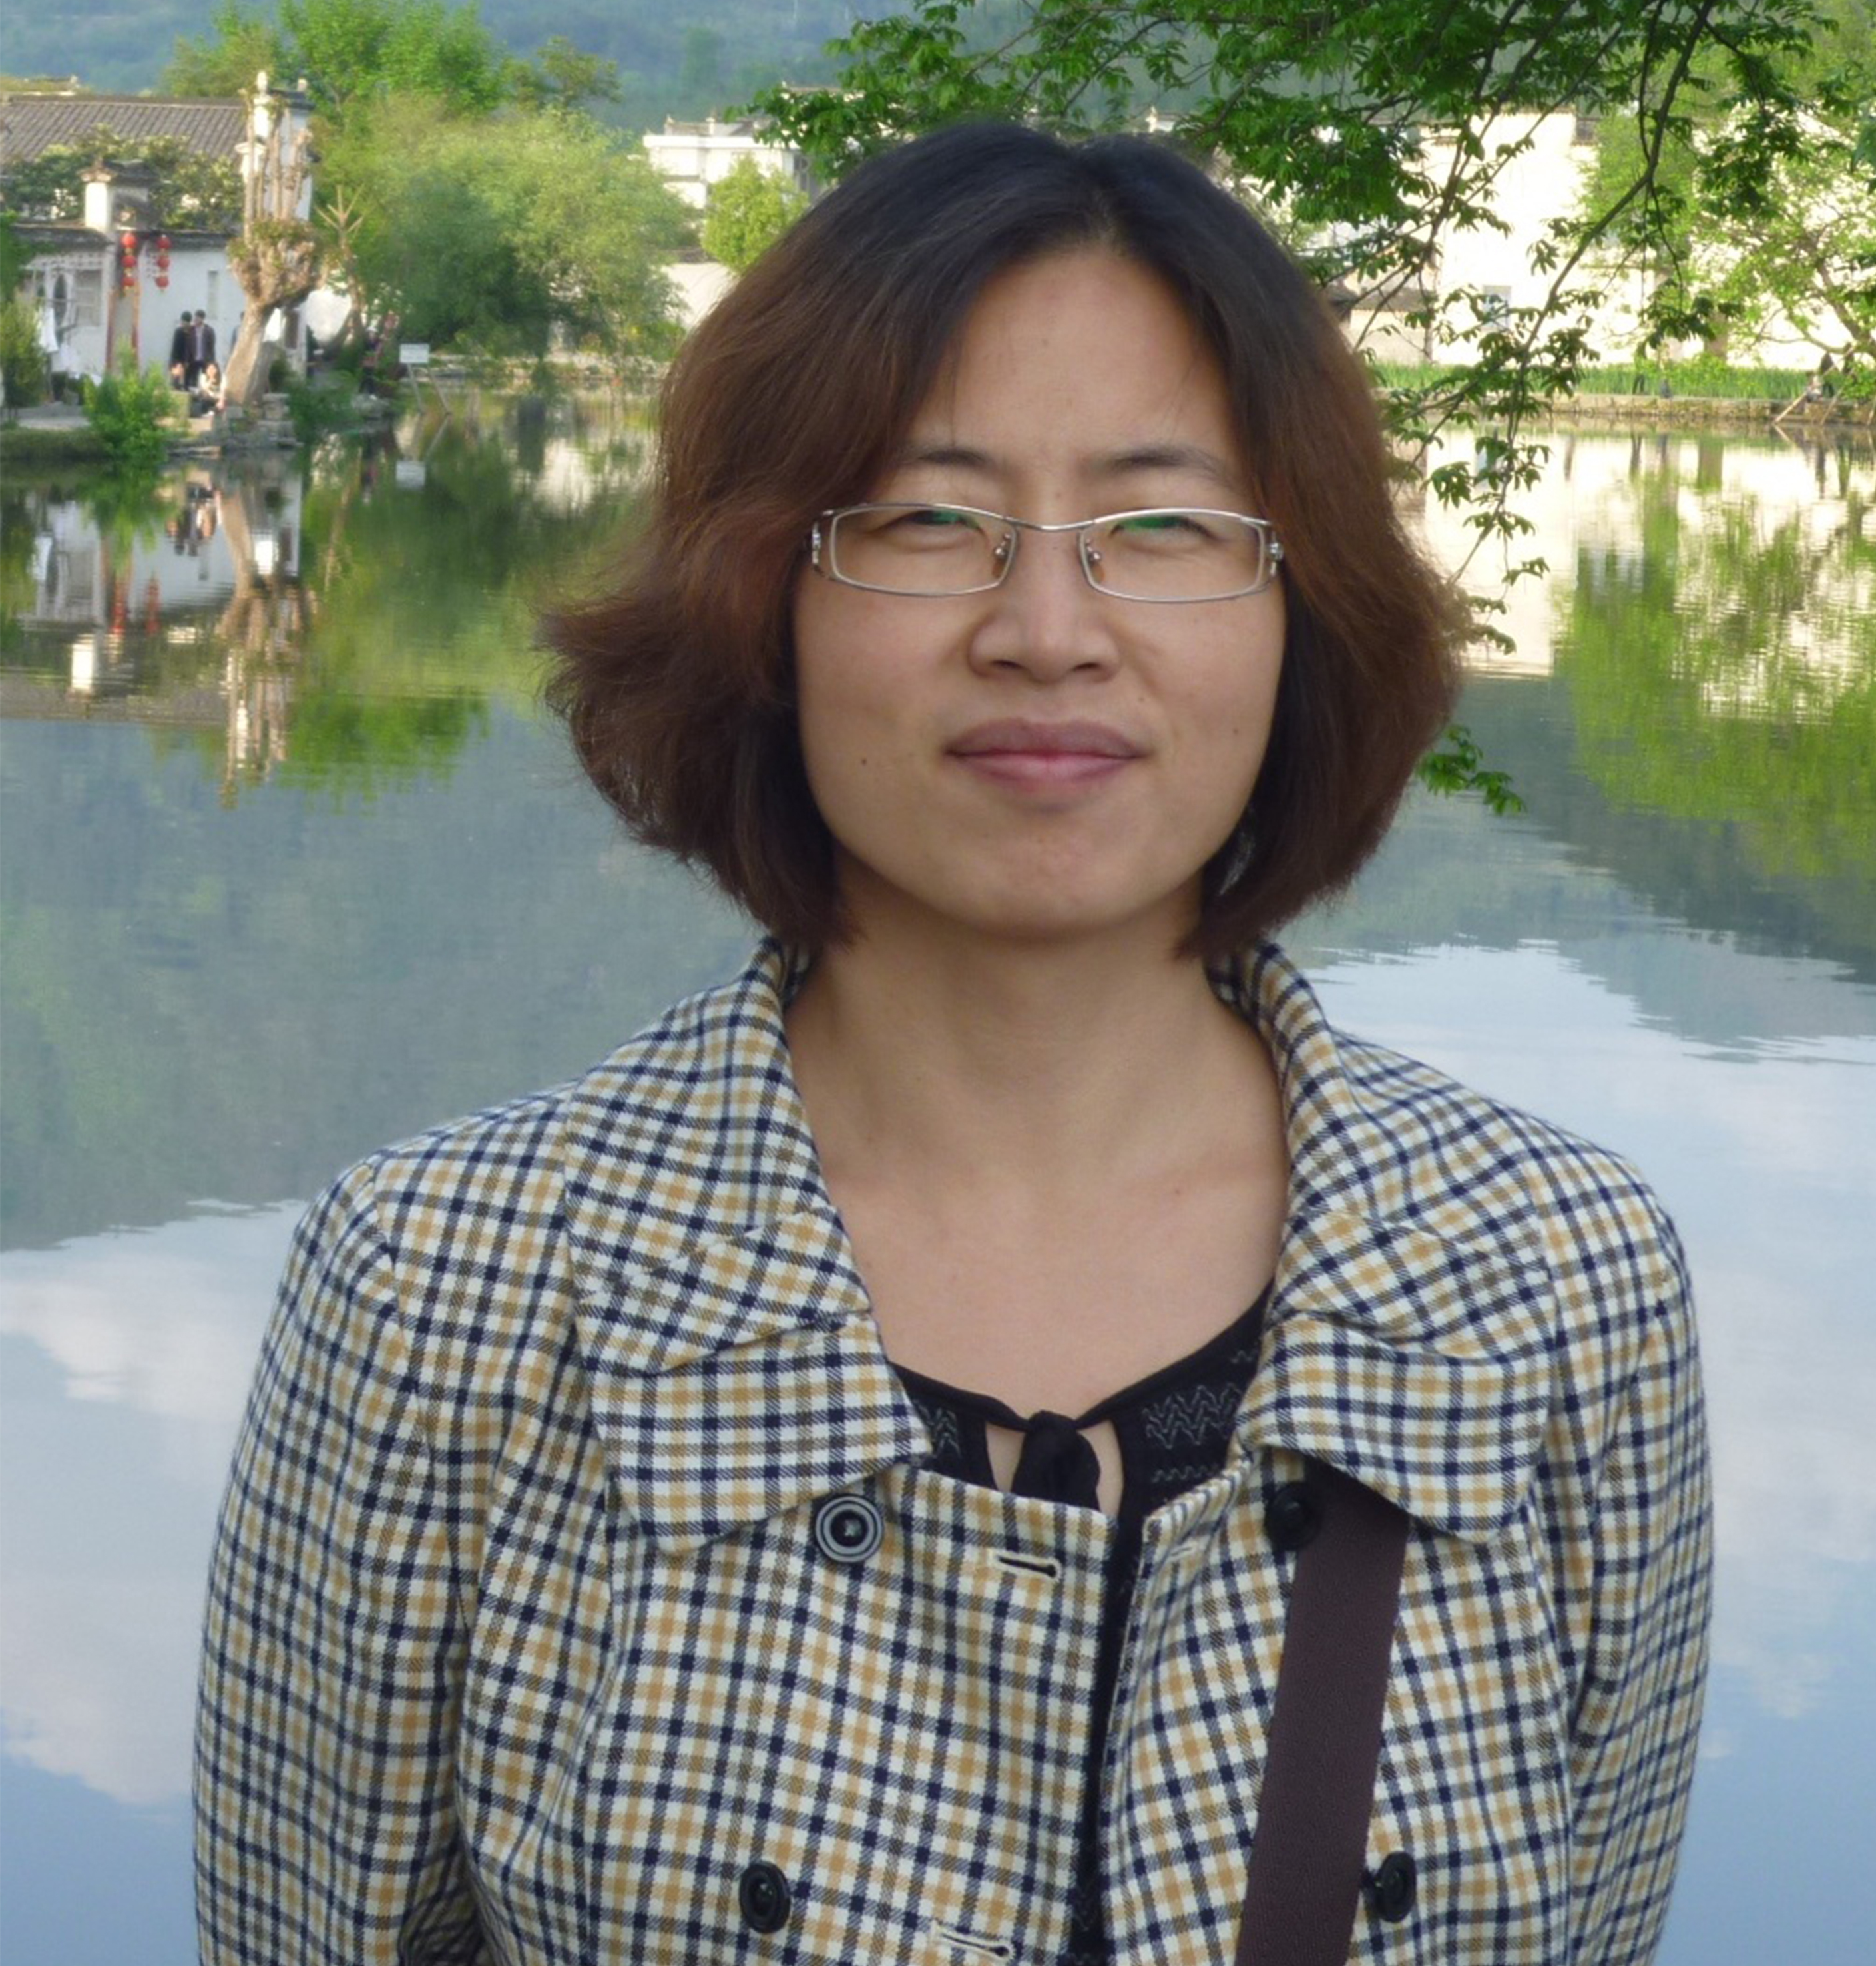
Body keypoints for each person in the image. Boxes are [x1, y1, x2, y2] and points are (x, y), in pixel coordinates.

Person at [195, 123, 1710, 1966]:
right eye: (924, 520)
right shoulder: (448, 1292)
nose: (1047, 631)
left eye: (1161, 525)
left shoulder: (1552, 1284)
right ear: (762, 595)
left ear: (1297, 611)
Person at [168, 310, 194, 388]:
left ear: (189, 322)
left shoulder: (192, 332)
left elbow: (191, 348)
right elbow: (175, 348)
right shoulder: (178, 331)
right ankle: (176, 386)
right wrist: (175, 362)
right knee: (176, 380)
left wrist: (188, 360)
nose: (183, 323)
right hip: (178, 360)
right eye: (183, 321)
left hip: (188, 360)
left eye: (185, 322)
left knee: (187, 382)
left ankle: (185, 387)